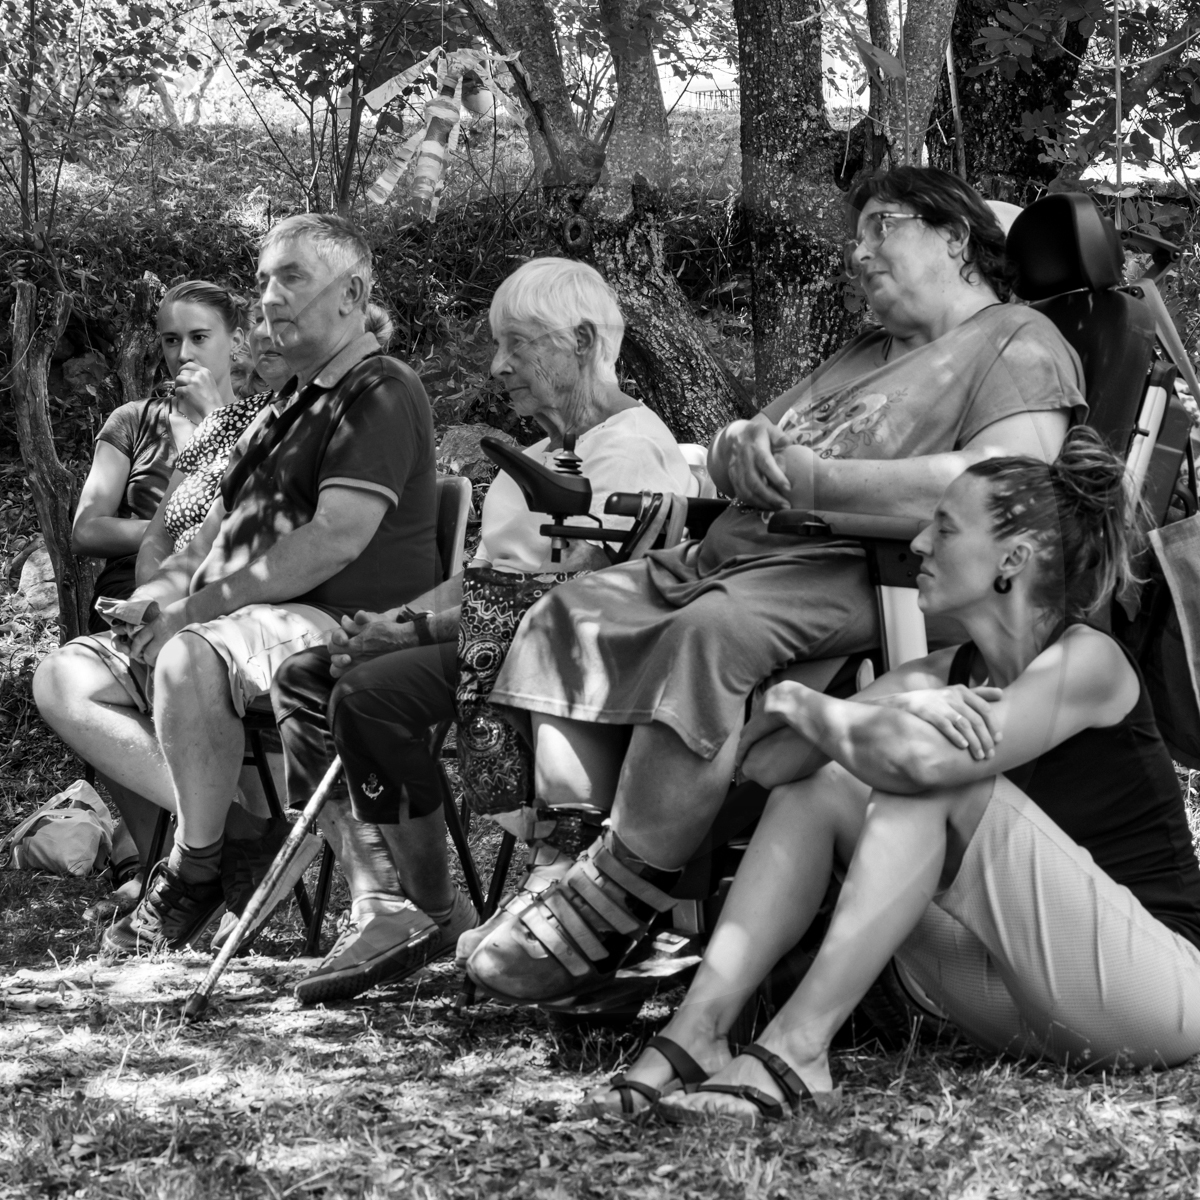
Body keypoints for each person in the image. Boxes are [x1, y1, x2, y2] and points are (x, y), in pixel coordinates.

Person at [464, 166, 1088, 1005]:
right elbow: (757, 436)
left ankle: (617, 892)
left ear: (954, 237)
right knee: (567, 613)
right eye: (856, 233)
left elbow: (1001, 485)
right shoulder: (863, 353)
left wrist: (819, 482)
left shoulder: (1016, 341)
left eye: (882, 227)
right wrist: (734, 446)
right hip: (739, 553)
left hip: (861, 567)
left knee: (708, 636)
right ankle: (567, 864)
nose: (858, 251)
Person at [583, 427, 1200, 1122]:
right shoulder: (940, 676)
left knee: (935, 777)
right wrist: (863, 710)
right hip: (1018, 1000)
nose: (918, 545)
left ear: (1013, 558)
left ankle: (799, 1047)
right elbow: (771, 763)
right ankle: (697, 1032)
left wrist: (801, 702)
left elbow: (921, 763)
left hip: (1156, 993)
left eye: (945, 527)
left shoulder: (1088, 661)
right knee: (824, 783)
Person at [269, 257, 695, 1003]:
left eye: (518, 345)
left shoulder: (635, 451)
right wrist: (398, 619)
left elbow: (586, 594)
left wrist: (411, 634)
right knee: (311, 673)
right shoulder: (533, 457)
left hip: (571, 660)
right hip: (492, 636)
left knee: (371, 693)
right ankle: (386, 896)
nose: (499, 366)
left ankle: (433, 909)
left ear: (584, 341)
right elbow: (485, 574)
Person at [33, 212, 441, 956]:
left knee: (191, 653)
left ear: (352, 294)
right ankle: (239, 832)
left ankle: (193, 867)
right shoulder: (278, 414)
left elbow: (330, 542)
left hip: (336, 625)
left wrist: (189, 610)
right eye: (262, 281)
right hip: (240, 623)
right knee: (64, 675)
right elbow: (203, 535)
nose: (270, 298)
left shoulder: (377, 389)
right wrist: (159, 600)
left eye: (291, 278)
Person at [69, 281, 250, 919]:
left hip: (218, 593)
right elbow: (87, 528)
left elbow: (245, 526)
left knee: (161, 660)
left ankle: (184, 859)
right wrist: (158, 539)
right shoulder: (136, 419)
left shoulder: (265, 418)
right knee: (94, 675)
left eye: (200, 337)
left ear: (238, 340)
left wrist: (213, 423)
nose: (183, 353)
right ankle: (181, 855)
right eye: (171, 340)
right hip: (133, 589)